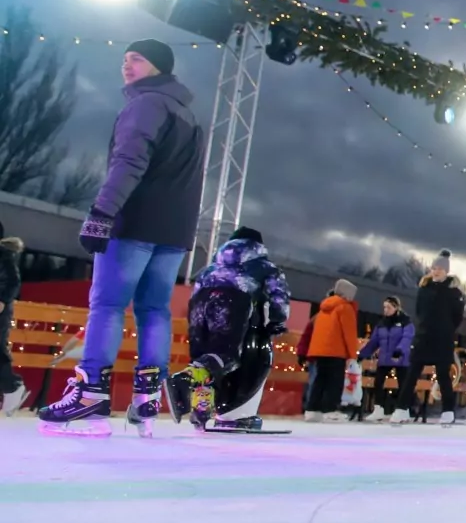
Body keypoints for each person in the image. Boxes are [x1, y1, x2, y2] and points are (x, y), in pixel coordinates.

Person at [40, 41, 204, 436]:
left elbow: (129, 161)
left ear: (158, 67)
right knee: (154, 310)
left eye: (137, 59)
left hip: (134, 223)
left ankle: (90, 393)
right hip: (174, 231)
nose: (126, 66)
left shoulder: (147, 105)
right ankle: (146, 398)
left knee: (108, 305)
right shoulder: (190, 117)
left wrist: (101, 213)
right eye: (125, 59)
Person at [167, 227, 290, 430]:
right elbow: (279, 298)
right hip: (235, 305)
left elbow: (194, 297)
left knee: (206, 356)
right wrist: (276, 320)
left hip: (199, 308)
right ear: (258, 246)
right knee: (227, 356)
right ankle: (185, 380)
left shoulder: (210, 269)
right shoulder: (264, 266)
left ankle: (202, 408)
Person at [409, 250, 465, 426]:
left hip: (442, 338)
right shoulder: (424, 289)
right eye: (434, 267)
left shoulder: (453, 292)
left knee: (443, 375)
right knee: (412, 372)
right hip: (424, 336)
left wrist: (446, 328)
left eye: (440, 268)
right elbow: (418, 311)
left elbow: (458, 316)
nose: (436, 271)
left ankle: (448, 411)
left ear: (446, 271)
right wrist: (424, 326)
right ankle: (401, 407)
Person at [306, 280, 360, 422]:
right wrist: (352, 355)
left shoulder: (324, 308)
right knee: (334, 382)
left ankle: (312, 409)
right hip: (336, 351)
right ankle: (330, 410)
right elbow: (349, 333)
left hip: (320, 351)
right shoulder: (345, 307)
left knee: (320, 380)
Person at [360, 297, 414, 424]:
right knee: (378, 382)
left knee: (402, 384)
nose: (386, 310)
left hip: (400, 357)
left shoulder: (405, 322)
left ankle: (403, 409)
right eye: (384, 307)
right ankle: (378, 408)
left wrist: (400, 350)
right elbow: (374, 341)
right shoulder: (381, 323)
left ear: (396, 307)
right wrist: (363, 354)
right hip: (385, 357)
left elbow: (407, 337)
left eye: (389, 307)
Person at [1, 220, 29, 415]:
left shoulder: (3, 255)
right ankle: (12, 386)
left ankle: (12, 386)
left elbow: (13, 280)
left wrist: (2, 300)